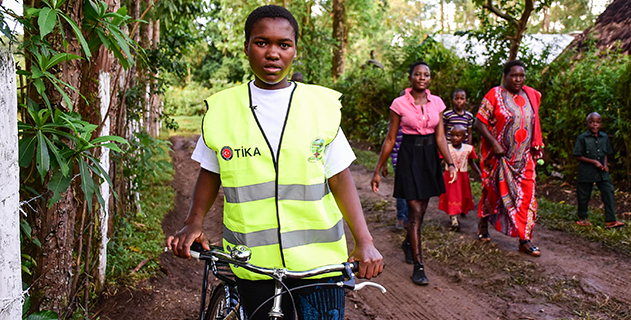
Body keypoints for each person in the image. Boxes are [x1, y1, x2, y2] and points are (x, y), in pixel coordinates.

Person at [166, 6, 383, 320]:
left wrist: (365, 241)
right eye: (261, 42)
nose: (273, 53)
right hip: (253, 264)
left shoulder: (319, 107)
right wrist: (194, 221)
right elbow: (210, 172)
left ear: (295, 51)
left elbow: (339, 177)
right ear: (246, 47)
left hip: (319, 265)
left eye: (284, 44)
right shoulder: (223, 110)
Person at [372, 61, 456, 286]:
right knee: (415, 209)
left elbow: (440, 137)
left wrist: (450, 163)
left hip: (429, 157)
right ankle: (419, 266)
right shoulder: (399, 104)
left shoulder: (437, 102)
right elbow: (391, 138)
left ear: (430, 78)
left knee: (422, 211)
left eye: (426, 74)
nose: (422, 77)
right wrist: (378, 169)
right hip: (408, 156)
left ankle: (409, 243)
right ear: (410, 78)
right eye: (417, 74)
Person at [475, 60, 544, 257]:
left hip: (524, 158)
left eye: (521, 76)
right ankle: (483, 224)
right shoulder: (494, 94)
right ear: (505, 76)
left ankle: (525, 239)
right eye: (514, 75)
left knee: (527, 197)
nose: (518, 79)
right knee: (492, 192)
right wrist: (494, 144)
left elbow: (534, 123)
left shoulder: (531, 95)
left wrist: (537, 145)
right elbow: (479, 122)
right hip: (499, 157)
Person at [573, 112, 626, 229]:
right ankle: (583, 218)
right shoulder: (582, 138)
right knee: (584, 195)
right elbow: (577, 155)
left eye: (597, 122)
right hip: (586, 171)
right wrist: (594, 162)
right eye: (591, 122)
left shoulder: (604, 137)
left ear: (601, 124)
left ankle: (611, 220)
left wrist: (605, 165)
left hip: (601, 171)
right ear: (587, 124)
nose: (594, 125)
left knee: (608, 191)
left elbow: (605, 153)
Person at [438, 125, 482, 231]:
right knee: (452, 197)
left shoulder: (468, 149)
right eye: (452, 135)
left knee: (463, 195)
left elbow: (471, 162)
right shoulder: (446, 148)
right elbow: (439, 161)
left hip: (463, 177)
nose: (454, 138)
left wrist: (480, 173)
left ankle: (460, 210)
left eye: (458, 135)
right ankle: (454, 220)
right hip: (450, 177)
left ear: (464, 137)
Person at [387, 126, 408, 229]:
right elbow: (389, 140)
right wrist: (383, 164)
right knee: (401, 189)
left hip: (412, 159)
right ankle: (401, 217)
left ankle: (409, 217)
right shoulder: (394, 119)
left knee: (411, 190)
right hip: (398, 160)